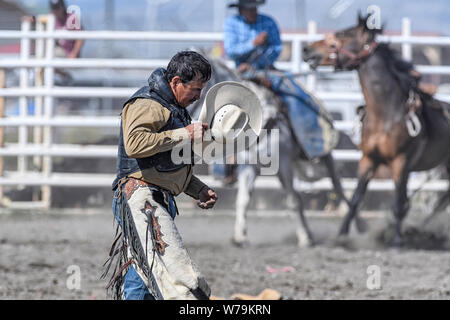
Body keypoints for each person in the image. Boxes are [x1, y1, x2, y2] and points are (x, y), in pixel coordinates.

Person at [102, 51, 218, 300]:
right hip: (141, 200)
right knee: (178, 278)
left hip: (152, 201)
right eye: (195, 89)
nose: (198, 96)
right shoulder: (148, 104)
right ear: (176, 82)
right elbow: (135, 144)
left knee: (142, 278)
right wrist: (185, 133)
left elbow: (167, 163)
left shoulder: (172, 108)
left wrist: (198, 189)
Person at [224, 0, 336, 159]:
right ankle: (225, 163)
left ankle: (309, 144)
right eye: (249, 9)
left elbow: (276, 48)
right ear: (241, 9)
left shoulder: (268, 22)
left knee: (295, 95)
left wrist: (262, 60)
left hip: (267, 71)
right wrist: (253, 44)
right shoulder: (232, 23)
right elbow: (231, 50)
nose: (253, 11)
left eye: (255, 8)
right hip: (241, 72)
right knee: (222, 106)